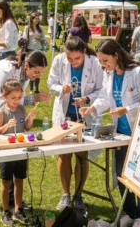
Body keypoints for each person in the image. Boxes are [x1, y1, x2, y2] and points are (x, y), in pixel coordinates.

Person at [80, 39, 140, 227]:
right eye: (101, 62)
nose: (103, 65)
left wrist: (125, 109)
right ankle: (129, 213)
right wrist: (92, 108)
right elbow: (104, 96)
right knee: (121, 174)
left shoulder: (137, 72)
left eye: (105, 60)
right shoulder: (109, 75)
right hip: (121, 133)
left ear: (116, 55)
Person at [0, 51, 51, 215]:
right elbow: (6, 100)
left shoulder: (23, 74)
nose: (38, 76)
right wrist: (33, 99)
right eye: (36, 72)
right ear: (26, 66)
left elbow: (16, 100)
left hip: (3, 109)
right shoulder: (5, 70)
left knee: (11, 153)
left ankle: (11, 198)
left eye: (41, 73)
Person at [48, 37, 104, 210]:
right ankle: (65, 194)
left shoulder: (95, 63)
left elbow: (103, 89)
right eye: (70, 59)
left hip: (85, 113)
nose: (73, 62)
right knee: (64, 154)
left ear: (84, 53)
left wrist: (87, 99)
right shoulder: (59, 60)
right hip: (65, 114)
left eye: (77, 59)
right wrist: (60, 89)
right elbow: (51, 83)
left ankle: (78, 195)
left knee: (82, 155)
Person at [0, 79, 37, 226]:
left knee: (19, 180)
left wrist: (31, 118)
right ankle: (5, 211)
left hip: (21, 150)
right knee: (6, 182)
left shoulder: (21, 109)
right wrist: (7, 125)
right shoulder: (2, 112)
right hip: (7, 151)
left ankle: (18, 210)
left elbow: (26, 127)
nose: (16, 101)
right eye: (13, 98)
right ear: (5, 96)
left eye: (19, 98)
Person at [21, 12, 46, 93]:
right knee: (31, 69)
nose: (37, 20)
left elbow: (44, 40)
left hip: (39, 50)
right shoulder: (27, 28)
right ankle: (31, 88)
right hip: (30, 51)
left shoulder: (40, 28)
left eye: (38, 19)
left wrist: (39, 39)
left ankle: (36, 88)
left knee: (38, 69)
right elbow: (24, 38)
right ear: (31, 19)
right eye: (36, 19)